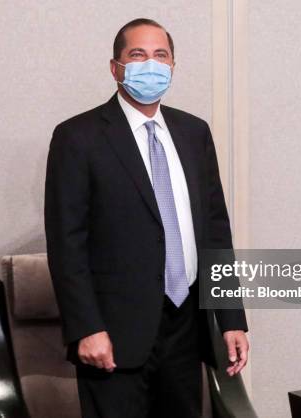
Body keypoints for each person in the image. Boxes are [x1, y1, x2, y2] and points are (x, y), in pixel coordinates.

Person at [44, 18, 249, 418]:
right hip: (114, 333)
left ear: (172, 65)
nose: (150, 64)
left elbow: (215, 233)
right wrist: (86, 327)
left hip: (186, 327)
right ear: (115, 67)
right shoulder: (78, 137)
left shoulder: (194, 133)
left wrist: (231, 319)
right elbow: (67, 243)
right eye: (137, 55)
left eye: (160, 55)